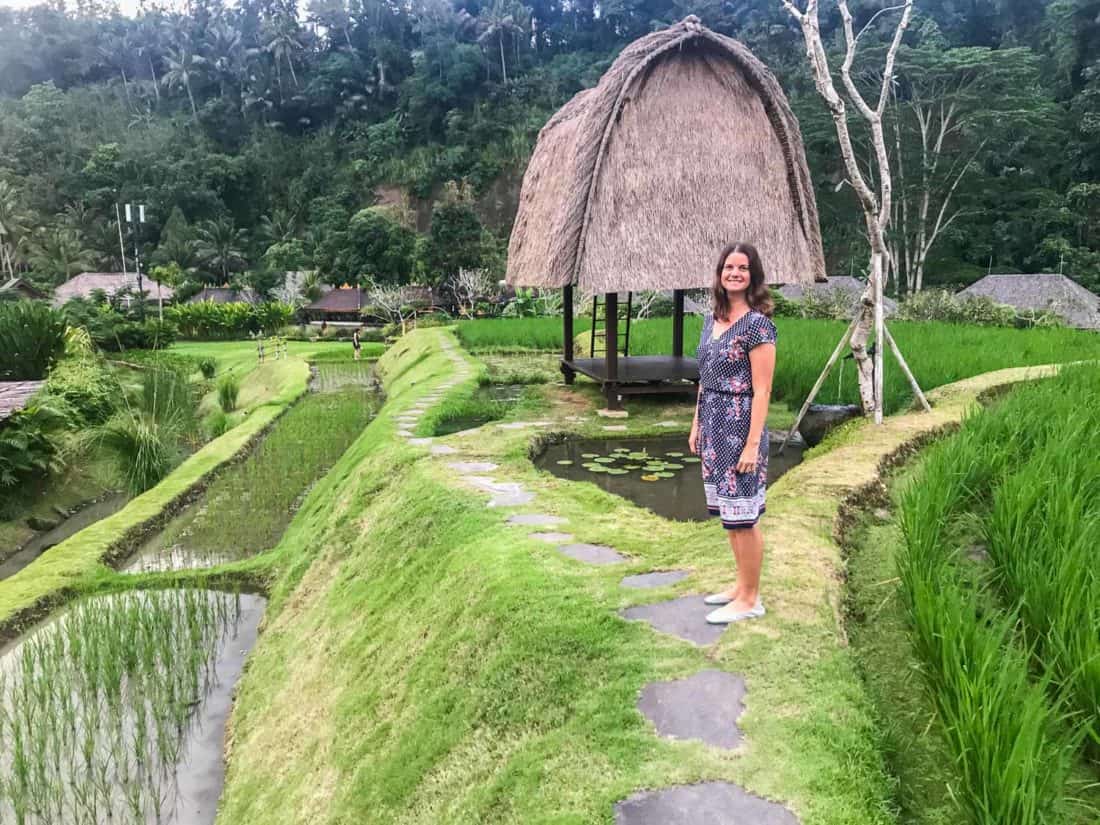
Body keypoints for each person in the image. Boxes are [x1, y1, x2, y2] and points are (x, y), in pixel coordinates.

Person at [689, 242, 778, 624]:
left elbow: (763, 389)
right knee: (729, 513)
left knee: (745, 516)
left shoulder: (758, 325)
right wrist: (696, 423)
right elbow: (704, 379)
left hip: (740, 427)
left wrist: (752, 445)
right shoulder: (712, 319)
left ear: (753, 275)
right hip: (712, 423)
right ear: (720, 273)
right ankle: (739, 586)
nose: (735, 273)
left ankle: (751, 598)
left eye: (743, 268)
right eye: (729, 267)